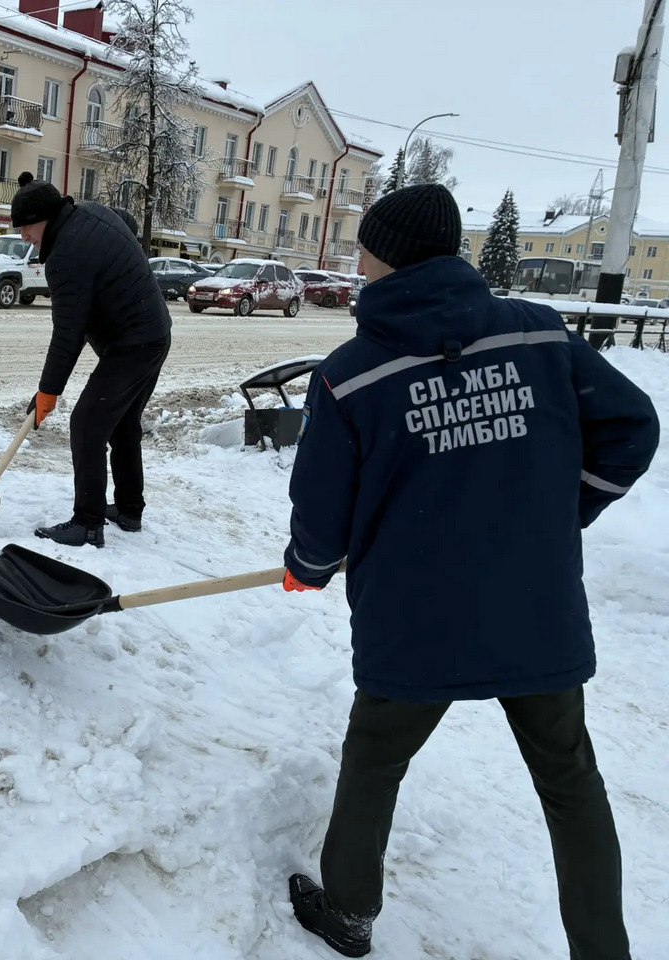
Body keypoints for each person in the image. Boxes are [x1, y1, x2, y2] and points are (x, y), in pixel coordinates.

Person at [281, 183, 659, 958]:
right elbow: (632, 425)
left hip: (416, 620)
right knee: (570, 781)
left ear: (387, 255)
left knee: (376, 760)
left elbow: (322, 514)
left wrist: (309, 568)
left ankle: (348, 909)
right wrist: (557, 518)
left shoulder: (350, 374)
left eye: (363, 247)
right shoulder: (540, 337)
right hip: (535, 608)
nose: (357, 260)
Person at [10, 170, 172, 547]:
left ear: (44, 220)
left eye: (26, 230)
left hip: (133, 343)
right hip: (155, 332)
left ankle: (87, 523)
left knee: (86, 425)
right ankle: (129, 509)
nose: (26, 239)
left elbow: (68, 334)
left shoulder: (66, 255)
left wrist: (48, 392)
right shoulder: (89, 214)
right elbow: (126, 224)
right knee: (123, 422)